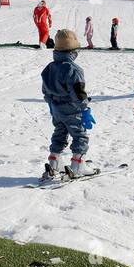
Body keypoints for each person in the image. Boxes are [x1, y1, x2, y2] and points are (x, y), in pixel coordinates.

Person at [40, 29, 97, 181]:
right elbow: (78, 94)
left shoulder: (49, 68)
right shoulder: (74, 70)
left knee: (59, 134)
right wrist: (85, 110)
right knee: (80, 136)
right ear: (72, 51)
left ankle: (54, 162)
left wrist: (52, 106)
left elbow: (46, 91)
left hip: (56, 110)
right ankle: (78, 164)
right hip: (73, 110)